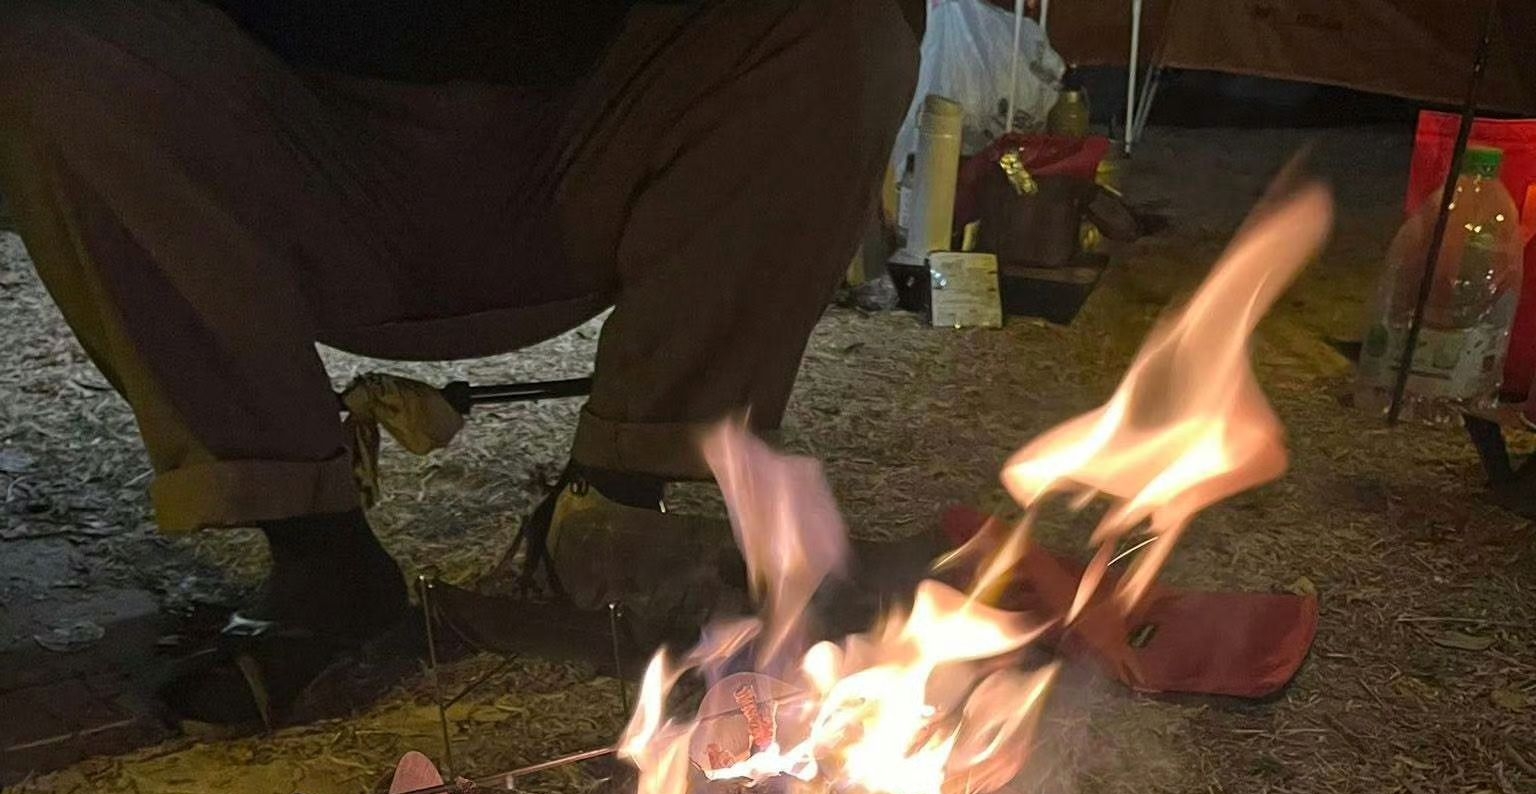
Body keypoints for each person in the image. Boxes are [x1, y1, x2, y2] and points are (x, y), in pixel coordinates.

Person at [0, 0, 921, 725]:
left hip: (592, 124)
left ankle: (612, 506)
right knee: (41, 52)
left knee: (843, 26)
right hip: (278, 127)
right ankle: (317, 553)